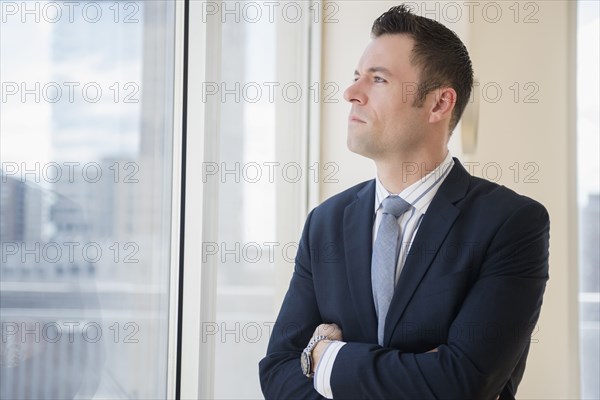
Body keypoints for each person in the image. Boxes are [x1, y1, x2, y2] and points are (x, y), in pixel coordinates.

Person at [259, 4, 549, 400]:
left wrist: (324, 357)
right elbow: (278, 371)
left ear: (438, 104)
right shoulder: (325, 222)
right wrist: (417, 372)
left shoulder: (511, 223)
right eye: (356, 77)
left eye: (377, 79)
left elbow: (460, 383)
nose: (351, 93)